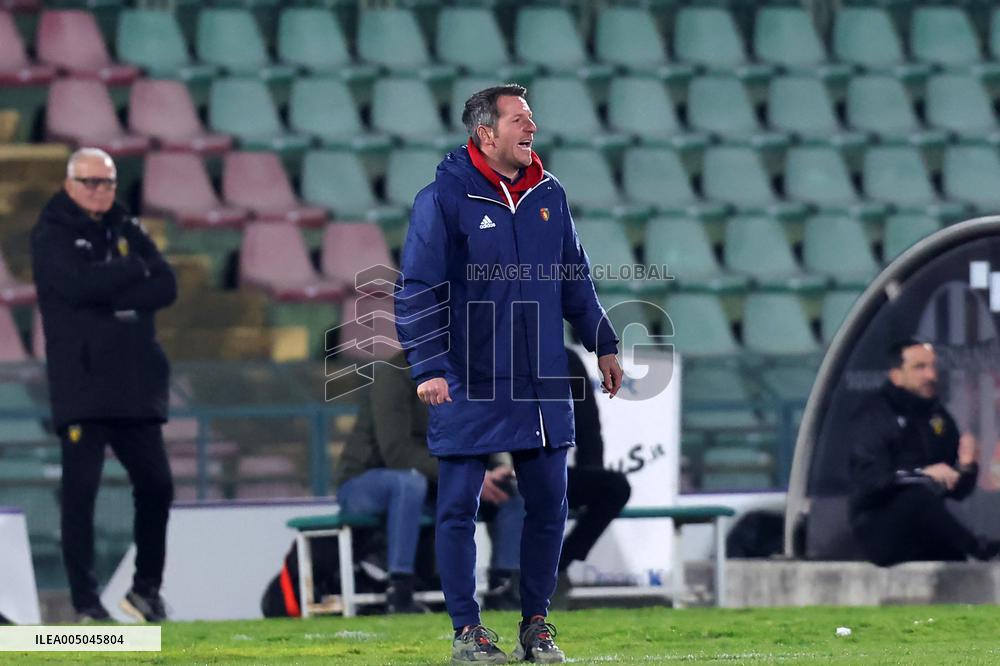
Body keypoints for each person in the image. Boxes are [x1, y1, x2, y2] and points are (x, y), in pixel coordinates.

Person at [395, 84, 622, 664]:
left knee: (550, 503)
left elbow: (575, 277)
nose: (532, 129)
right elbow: (417, 290)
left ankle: (537, 625)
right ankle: (467, 631)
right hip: (469, 377)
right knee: (458, 509)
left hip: (542, 379)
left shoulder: (551, 194)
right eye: (520, 120)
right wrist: (428, 366)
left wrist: (603, 344)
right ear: (485, 133)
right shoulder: (443, 199)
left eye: (533, 120)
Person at [31, 148, 177, 622]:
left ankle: (145, 590)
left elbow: (167, 284)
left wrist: (107, 287)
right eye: (91, 182)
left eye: (108, 183)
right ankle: (85, 603)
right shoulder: (51, 232)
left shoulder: (126, 226)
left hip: (135, 384)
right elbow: (75, 287)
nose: (100, 191)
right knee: (82, 495)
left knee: (157, 486)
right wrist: (133, 272)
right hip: (83, 385)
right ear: (70, 183)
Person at [334, 354, 526, 614]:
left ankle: (505, 588)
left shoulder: (470, 370)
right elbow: (397, 452)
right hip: (366, 480)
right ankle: (399, 589)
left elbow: (486, 425)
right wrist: (469, 477)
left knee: (512, 491)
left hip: (434, 483)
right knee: (408, 484)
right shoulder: (395, 373)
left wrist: (499, 465)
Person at [848, 339, 1000, 566]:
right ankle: (979, 547)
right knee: (917, 497)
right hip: (879, 527)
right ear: (896, 375)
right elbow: (870, 480)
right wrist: (922, 474)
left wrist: (967, 466)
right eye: (920, 368)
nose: (931, 375)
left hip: (925, 528)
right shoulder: (875, 415)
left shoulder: (937, 418)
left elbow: (956, 490)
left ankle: (976, 551)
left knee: (954, 560)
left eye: (932, 367)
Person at [552, 347, 631, 606]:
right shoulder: (493, 355)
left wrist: (591, 470)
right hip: (507, 470)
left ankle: (558, 563)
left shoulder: (565, 360)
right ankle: (509, 578)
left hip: (551, 472)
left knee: (614, 487)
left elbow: (588, 423)